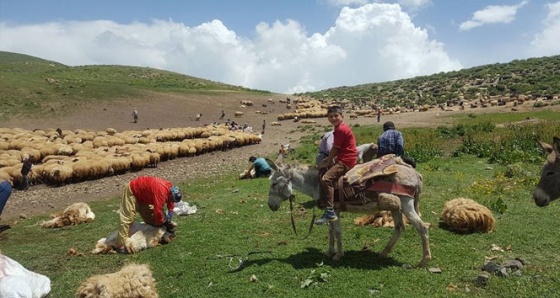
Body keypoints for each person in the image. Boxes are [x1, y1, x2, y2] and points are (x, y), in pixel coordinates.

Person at [115, 176, 183, 253]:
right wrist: (162, 222)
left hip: (144, 197)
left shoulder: (171, 190)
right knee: (127, 218)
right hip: (133, 191)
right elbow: (158, 211)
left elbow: (170, 205)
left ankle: (157, 234)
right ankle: (121, 245)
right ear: (171, 195)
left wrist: (169, 219)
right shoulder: (161, 193)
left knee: (150, 217)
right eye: (172, 199)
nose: (171, 201)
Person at [316, 106, 357, 225]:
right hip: (343, 158)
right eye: (330, 116)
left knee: (326, 179)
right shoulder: (339, 128)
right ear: (327, 118)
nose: (333, 118)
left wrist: (328, 160)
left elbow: (335, 148)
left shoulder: (341, 130)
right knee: (323, 170)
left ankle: (330, 211)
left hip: (346, 160)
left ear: (342, 116)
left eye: (336, 116)